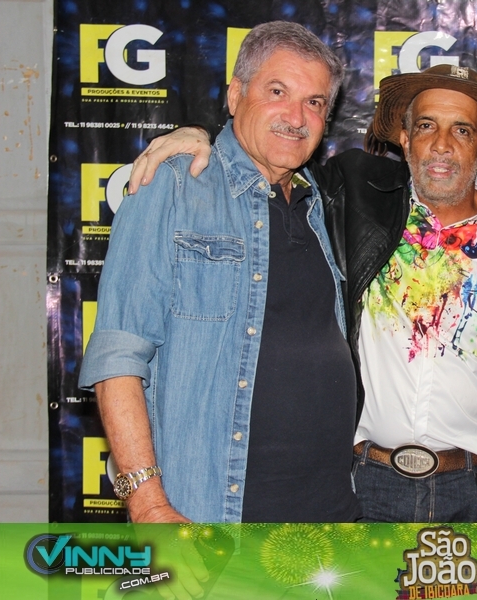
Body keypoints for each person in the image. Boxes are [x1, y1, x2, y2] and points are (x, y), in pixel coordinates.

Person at [128, 64, 477, 522]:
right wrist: (199, 132)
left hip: (475, 491)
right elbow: (270, 148)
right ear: (405, 140)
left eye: (461, 130)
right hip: (364, 485)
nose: (441, 144)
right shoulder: (353, 195)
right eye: (426, 125)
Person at [79, 21, 361, 524]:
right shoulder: (173, 187)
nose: (296, 117)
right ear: (235, 95)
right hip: (212, 521)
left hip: (332, 521)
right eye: (277, 92)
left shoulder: (327, 205)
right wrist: (148, 507)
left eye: (315, 102)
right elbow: (117, 358)